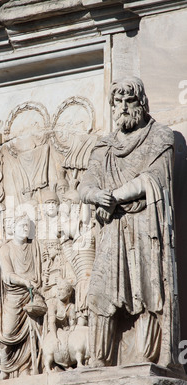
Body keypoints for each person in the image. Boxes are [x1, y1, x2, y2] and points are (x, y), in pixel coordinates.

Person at [79, 76, 176, 368]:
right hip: (111, 229)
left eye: (129, 101)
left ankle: (146, 358)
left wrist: (114, 196)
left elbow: (155, 179)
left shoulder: (160, 137)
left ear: (142, 103)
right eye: (117, 102)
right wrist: (97, 195)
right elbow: (84, 186)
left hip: (145, 227)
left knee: (148, 290)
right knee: (100, 293)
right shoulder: (104, 147)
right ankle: (99, 360)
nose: (122, 107)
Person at [0, 212, 42, 379]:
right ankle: (4, 368)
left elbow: (39, 270)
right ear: (13, 228)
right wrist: (24, 281)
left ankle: (25, 368)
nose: (25, 229)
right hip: (14, 296)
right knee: (7, 333)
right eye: (22, 225)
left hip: (31, 294)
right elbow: (7, 275)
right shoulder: (5, 249)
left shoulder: (33, 246)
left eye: (27, 227)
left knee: (33, 330)